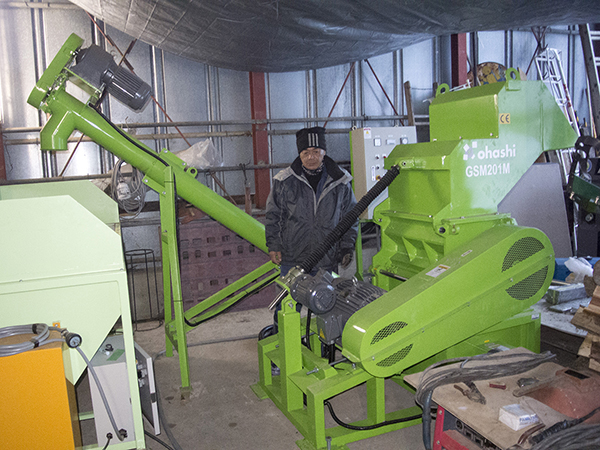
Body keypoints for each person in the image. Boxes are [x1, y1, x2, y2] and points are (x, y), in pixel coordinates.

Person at [265, 126, 358, 317]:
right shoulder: (284, 181)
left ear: (324, 152)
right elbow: (273, 215)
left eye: (316, 152)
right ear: (300, 154)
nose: (311, 157)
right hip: (293, 257)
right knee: (287, 307)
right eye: (306, 152)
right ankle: (281, 340)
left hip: (326, 257)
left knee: (326, 303)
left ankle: (325, 345)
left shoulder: (340, 182)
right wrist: (273, 245)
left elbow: (350, 216)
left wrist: (347, 247)